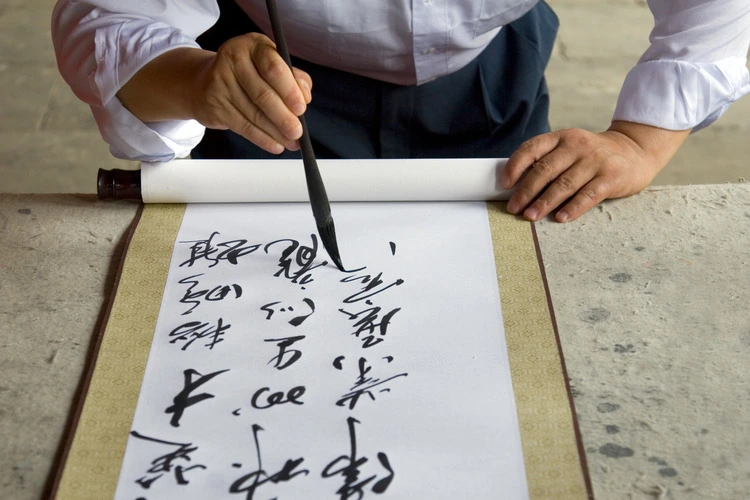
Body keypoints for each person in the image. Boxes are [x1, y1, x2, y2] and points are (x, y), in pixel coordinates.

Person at [52, 1, 750, 222]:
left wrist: (639, 140)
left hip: (484, 71)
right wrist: (197, 82)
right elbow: (111, 14)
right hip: (266, 73)